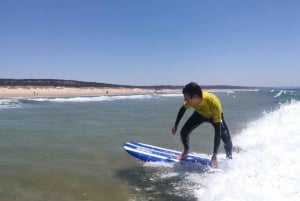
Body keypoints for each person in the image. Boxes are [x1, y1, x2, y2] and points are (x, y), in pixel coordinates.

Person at [171, 82, 233, 168]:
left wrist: (214, 154)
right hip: (199, 115)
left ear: (195, 97)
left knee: (226, 138)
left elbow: (217, 132)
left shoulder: (213, 103)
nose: (185, 100)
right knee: (184, 132)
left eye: (186, 98)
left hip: (213, 116)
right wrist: (176, 124)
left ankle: (229, 158)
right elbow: (183, 109)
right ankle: (186, 150)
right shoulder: (191, 101)